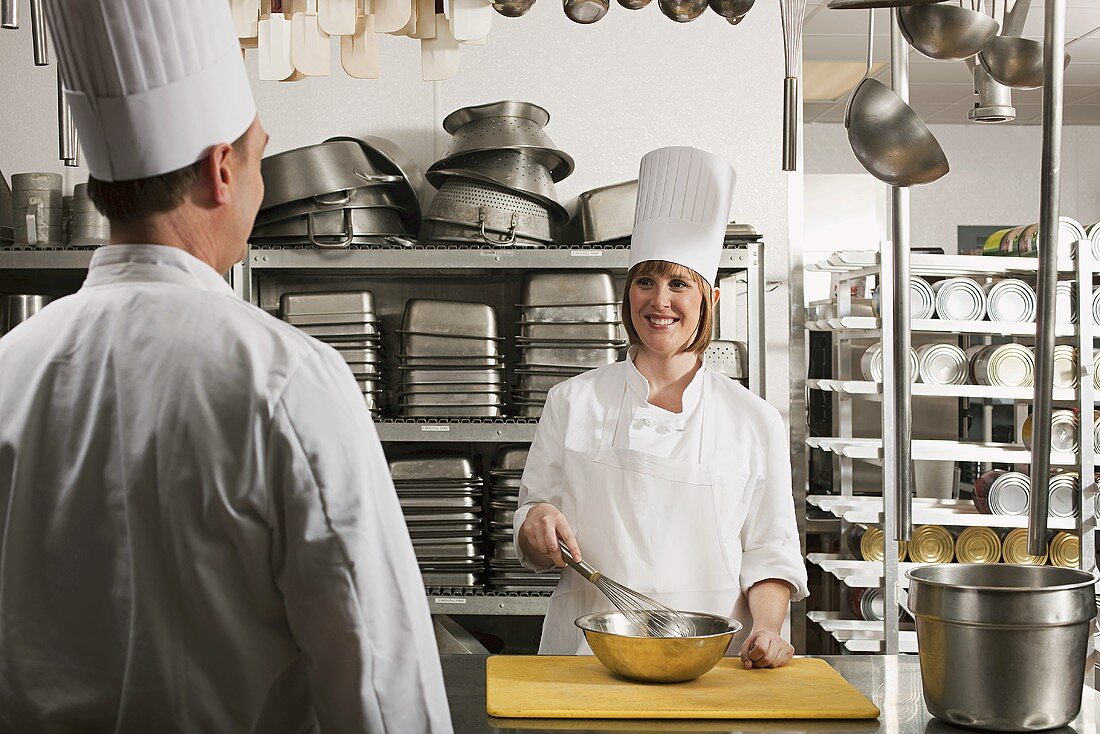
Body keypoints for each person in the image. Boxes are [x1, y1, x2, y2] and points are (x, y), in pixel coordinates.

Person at [0, 1, 452, 732]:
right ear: (220, 172)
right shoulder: (287, 381)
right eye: (258, 158)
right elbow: (375, 678)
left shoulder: (9, 370)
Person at [515, 146, 809, 667]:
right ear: (628, 295)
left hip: (713, 663)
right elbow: (535, 527)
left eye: (679, 284)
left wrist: (768, 629)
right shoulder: (572, 401)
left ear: (709, 300)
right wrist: (537, 521)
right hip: (587, 657)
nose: (660, 301)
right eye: (645, 282)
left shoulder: (753, 420)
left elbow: (770, 550)